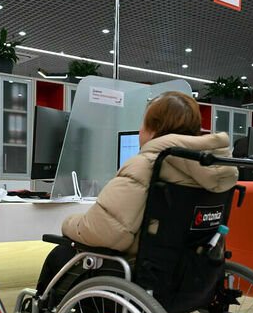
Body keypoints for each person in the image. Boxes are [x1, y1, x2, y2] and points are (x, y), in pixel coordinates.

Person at [36, 91, 239, 295]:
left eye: (143, 123)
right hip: (192, 275)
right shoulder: (214, 170)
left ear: (154, 130)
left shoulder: (146, 165)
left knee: (60, 254)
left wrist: (70, 223)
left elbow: (109, 232)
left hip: (139, 273)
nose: (140, 130)